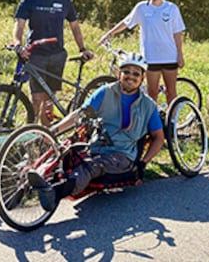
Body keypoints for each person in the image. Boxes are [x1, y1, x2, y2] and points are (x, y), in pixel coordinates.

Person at [26, 53, 165, 211]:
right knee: (65, 152)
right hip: (96, 147)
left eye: (136, 74)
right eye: (126, 72)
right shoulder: (105, 92)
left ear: (142, 78)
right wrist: (54, 131)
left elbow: (158, 138)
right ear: (119, 73)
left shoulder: (148, 106)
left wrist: (143, 163)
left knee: (91, 166)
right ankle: (28, 183)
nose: (130, 76)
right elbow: (80, 114)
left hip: (122, 155)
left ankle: (55, 194)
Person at [13, 0, 94, 125]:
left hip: (57, 54)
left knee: (50, 98)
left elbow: (75, 27)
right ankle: (31, 131)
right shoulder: (29, 0)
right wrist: (17, 44)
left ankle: (46, 134)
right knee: (36, 98)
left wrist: (82, 48)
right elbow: (19, 24)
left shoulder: (65, 1)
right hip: (36, 55)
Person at [98, 0, 186, 103]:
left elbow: (177, 33)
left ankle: (172, 115)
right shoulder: (141, 8)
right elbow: (126, 22)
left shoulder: (172, 8)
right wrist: (109, 34)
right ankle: (152, 116)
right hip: (151, 56)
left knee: (171, 92)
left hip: (169, 55)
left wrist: (180, 55)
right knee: (152, 92)